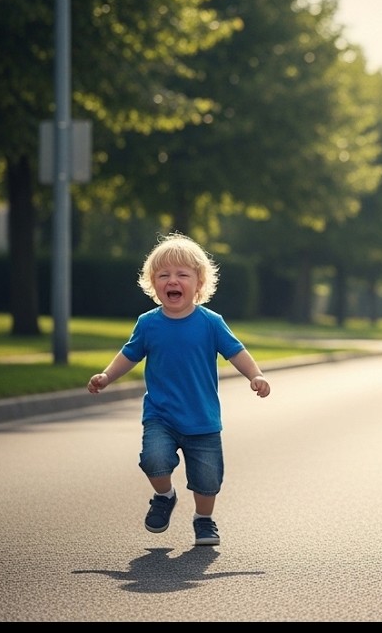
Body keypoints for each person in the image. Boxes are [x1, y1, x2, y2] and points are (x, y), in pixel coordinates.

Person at [87, 232, 271, 547]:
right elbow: (129, 354)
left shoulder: (211, 322)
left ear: (199, 283)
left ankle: (203, 519)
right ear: (153, 284)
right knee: (154, 460)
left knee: (207, 480)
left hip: (202, 419)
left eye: (182, 275)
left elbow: (236, 352)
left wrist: (255, 375)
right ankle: (164, 495)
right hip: (161, 416)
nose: (172, 280)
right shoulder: (148, 324)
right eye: (164, 275)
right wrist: (106, 376)